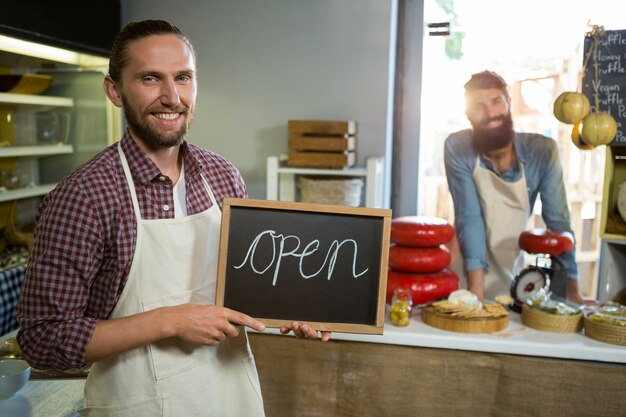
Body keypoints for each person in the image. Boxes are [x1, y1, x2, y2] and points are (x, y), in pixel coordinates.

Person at [17, 20, 330, 416]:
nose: (171, 97)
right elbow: (43, 339)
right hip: (136, 405)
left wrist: (290, 312)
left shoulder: (222, 175)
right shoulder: (84, 196)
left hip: (229, 399)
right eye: (151, 79)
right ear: (114, 90)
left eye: (183, 78)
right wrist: (168, 322)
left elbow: (242, 292)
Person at [443, 70, 594, 305]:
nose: (491, 113)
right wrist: (475, 295)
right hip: (466, 271)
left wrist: (573, 291)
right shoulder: (458, 147)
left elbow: (559, 224)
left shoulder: (543, 152)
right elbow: (469, 217)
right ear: (468, 114)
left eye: (496, 102)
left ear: (508, 102)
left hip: (513, 268)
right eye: (479, 106)